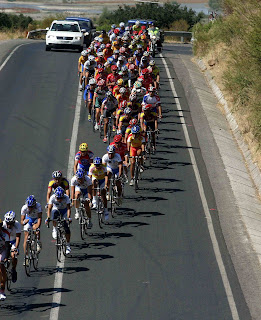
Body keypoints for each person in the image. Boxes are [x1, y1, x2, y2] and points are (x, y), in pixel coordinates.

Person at [46, 187, 72, 254]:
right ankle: (54, 229)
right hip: (56, 209)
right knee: (54, 215)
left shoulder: (66, 198)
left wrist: (68, 218)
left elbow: (69, 208)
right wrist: (48, 218)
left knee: (66, 229)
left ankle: (68, 245)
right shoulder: (52, 198)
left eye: (61, 198)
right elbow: (49, 209)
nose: (59, 200)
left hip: (64, 210)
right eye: (58, 198)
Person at [21, 195, 42, 260]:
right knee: (26, 236)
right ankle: (26, 256)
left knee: (36, 229)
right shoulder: (24, 208)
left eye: (31, 207)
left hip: (36, 219)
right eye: (29, 207)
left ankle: (38, 241)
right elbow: (22, 221)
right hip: (28, 219)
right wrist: (24, 222)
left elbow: (39, 218)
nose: (30, 208)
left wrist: (37, 227)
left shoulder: (38, 206)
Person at [2, 211, 21, 283]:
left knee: (13, 256)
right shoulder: (3, 225)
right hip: (4, 242)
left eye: (10, 224)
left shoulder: (17, 225)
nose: (9, 226)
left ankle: (13, 269)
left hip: (13, 241)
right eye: (8, 224)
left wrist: (16, 248)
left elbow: (18, 237)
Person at [0, 218, 10, 301]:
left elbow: (7, 247)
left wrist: (6, 257)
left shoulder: (5, 234)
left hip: (3, 250)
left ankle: (2, 290)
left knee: (1, 266)